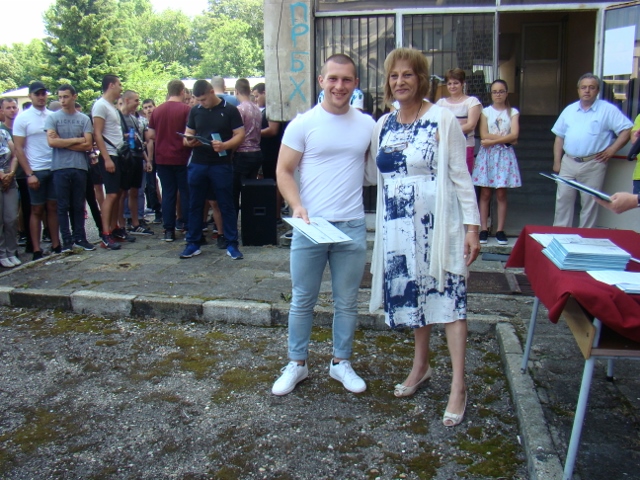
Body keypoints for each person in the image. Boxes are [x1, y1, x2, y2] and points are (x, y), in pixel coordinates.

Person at [369, 48, 480, 427]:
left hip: (438, 227)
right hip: (398, 231)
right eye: (394, 75)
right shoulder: (383, 124)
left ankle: (459, 386)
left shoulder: (442, 119)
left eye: (408, 74)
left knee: (451, 301)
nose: (400, 81)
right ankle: (421, 367)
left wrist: (472, 228)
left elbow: (461, 176)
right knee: (417, 299)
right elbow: (377, 175)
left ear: (421, 79)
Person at [271, 53, 375, 396]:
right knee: (302, 298)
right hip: (311, 225)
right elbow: (284, 171)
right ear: (321, 81)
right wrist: (297, 205)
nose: (339, 86)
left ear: (355, 83)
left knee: (347, 300)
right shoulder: (302, 124)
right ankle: (297, 363)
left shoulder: (367, 125)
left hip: (351, 225)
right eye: (333, 78)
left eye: (346, 80)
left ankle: (340, 362)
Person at [552, 73, 632, 228]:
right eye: (583, 87)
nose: (587, 91)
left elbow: (627, 129)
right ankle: (560, 234)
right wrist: (557, 162)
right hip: (568, 161)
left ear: (597, 90)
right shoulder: (569, 110)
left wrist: (612, 150)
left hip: (593, 163)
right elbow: (559, 137)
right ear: (578, 90)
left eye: (591, 87)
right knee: (563, 200)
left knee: (590, 202)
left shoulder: (607, 110)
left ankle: (585, 237)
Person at [181, 79, 245, 260]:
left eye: (203, 99)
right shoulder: (195, 111)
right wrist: (189, 142)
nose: (201, 103)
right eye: (198, 100)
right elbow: (187, 135)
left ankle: (231, 243)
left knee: (226, 203)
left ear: (211, 92)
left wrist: (225, 145)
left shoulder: (230, 110)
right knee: (195, 203)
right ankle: (193, 242)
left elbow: (240, 134)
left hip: (221, 164)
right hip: (198, 162)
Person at [14, 81, 62, 260]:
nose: (41, 97)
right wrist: (29, 173)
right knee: (36, 209)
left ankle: (56, 244)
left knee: (53, 207)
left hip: (53, 167)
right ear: (30, 96)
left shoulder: (52, 116)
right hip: (36, 168)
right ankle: (36, 248)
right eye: (37, 94)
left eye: (43, 94)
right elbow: (19, 148)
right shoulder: (23, 118)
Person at [45, 84, 95, 252]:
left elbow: (88, 145)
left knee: (78, 204)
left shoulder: (84, 119)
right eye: (60, 97)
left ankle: (80, 237)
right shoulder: (53, 118)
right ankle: (66, 240)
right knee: (62, 205)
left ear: (74, 96)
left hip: (80, 166)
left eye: (65, 96)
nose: (62, 100)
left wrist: (63, 142)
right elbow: (51, 142)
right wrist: (78, 139)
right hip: (60, 167)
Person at [472, 79, 521, 246]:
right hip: (488, 155)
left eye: (501, 91)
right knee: (485, 193)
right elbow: (484, 134)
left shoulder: (513, 112)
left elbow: (515, 135)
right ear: (491, 94)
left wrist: (493, 141)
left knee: (501, 193)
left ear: (506, 93)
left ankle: (500, 230)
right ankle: (484, 228)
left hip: (504, 155)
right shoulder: (485, 112)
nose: (498, 94)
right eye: (494, 91)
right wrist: (506, 139)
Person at [147, 80, 192, 242]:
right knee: (186, 193)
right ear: (182, 91)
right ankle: (188, 227)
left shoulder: (157, 111)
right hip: (182, 157)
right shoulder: (186, 110)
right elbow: (191, 133)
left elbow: (150, 134)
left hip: (162, 157)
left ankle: (168, 230)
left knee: (168, 193)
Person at [92, 74, 125, 250]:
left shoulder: (111, 106)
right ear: (111, 85)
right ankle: (105, 234)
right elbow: (97, 133)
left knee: (118, 193)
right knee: (111, 194)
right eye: (119, 84)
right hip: (109, 155)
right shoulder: (100, 105)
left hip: (118, 154)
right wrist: (106, 158)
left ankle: (113, 228)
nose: (121, 88)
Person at [436, 68, 481, 174]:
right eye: (449, 83)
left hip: (465, 146)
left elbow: (470, 126)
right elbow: (435, 127)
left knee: (464, 178)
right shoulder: (440, 103)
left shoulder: (472, 102)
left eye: (456, 83)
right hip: (444, 147)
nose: (452, 86)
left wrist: (446, 132)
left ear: (462, 83)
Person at [232, 78, 263, 213]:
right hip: (257, 152)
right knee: (249, 190)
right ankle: (249, 219)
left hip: (242, 153)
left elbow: (237, 135)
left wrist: (231, 153)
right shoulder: (257, 109)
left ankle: (233, 221)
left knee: (235, 190)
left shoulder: (239, 109)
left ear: (236, 91)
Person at [0, 127, 20, 267]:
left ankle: (11, 252)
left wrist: (11, 173)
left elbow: (15, 155)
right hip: (2, 176)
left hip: (9, 179)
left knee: (11, 218)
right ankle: (2, 254)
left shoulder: (4, 133)